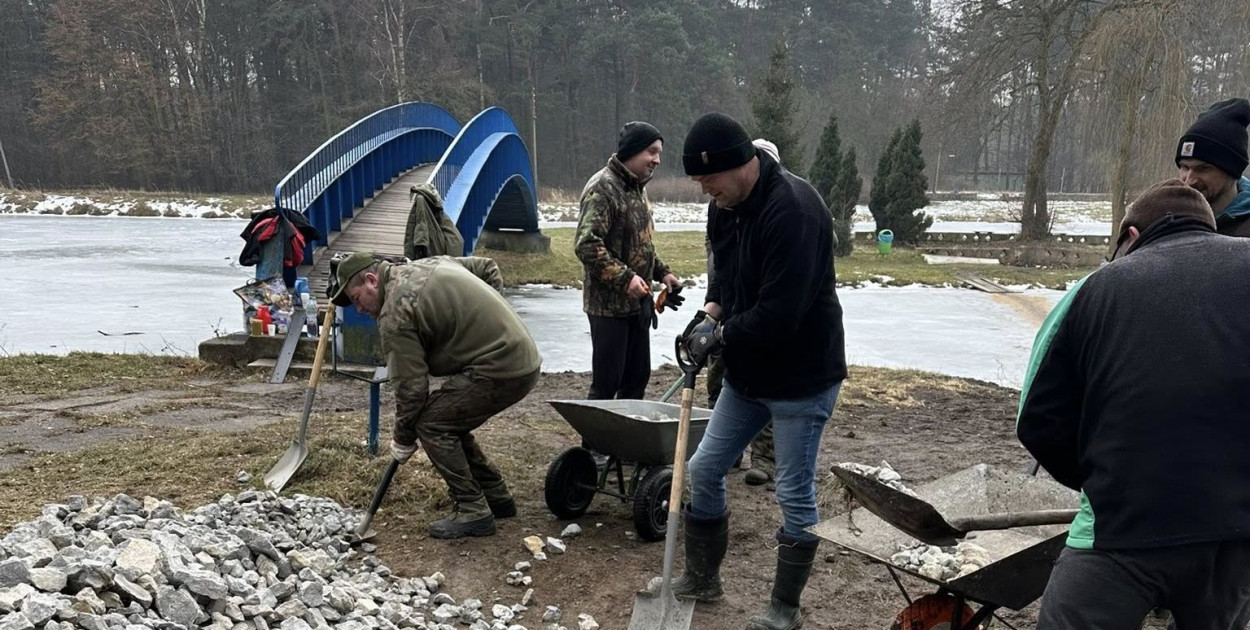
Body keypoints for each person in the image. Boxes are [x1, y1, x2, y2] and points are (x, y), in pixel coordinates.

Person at [1017, 179, 1250, 627]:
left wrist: (1097, 478)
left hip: (1121, 532)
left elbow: (1037, 417)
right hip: (1237, 535)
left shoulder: (1096, 287)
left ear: (1132, 237)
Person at [672, 113, 846, 630]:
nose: (706, 192)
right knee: (704, 470)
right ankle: (704, 578)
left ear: (740, 165)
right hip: (748, 376)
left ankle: (784, 610)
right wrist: (707, 317)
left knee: (792, 492)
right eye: (700, 185)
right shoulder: (725, 207)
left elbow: (780, 313)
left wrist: (723, 337)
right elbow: (724, 278)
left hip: (801, 377)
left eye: (710, 181)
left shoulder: (794, 210)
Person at [329, 252, 541, 539]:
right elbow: (486, 267)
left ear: (371, 280)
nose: (359, 309)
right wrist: (499, 319)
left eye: (356, 299)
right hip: (522, 355)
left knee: (431, 424)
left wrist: (402, 439)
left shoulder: (394, 315)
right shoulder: (427, 264)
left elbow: (411, 390)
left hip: (500, 367)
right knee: (447, 417)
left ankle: (473, 510)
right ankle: (496, 496)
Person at [574, 121, 681, 401]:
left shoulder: (638, 189)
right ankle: (594, 446)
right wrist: (626, 279)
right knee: (606, 386)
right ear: (632, 151)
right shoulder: (603, 188)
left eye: (659, 153)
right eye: (652, 152)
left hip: (637, 307)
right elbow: (587, 245)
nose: (657, 160)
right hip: (608, 309)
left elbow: (639, 245)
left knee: (636, 381)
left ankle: (624, 444)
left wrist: (663, 273)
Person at [706, 138, 784, 486]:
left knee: (765, 389)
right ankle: (728, 449)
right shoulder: (721, 208)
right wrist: (709, 314)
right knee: (717, 379)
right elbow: (718, 268)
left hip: (764, 319)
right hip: (728, 308)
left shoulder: (782, 210)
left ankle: (765, 458)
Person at [1175, 97, 1250, 235]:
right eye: (1185, 167)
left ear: (1233, 171)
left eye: (1203, 169)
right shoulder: (1167, 223)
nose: (1189, 180)